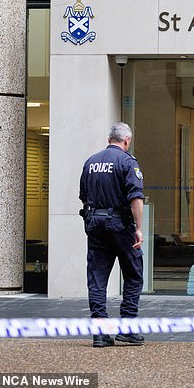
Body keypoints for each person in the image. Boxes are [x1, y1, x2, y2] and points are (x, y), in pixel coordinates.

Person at [79, 122, 146, 347]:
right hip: (120, 226)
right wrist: (138, 227)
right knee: (133, 273)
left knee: (97, 279)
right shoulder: (128, 162)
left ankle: (100, 333)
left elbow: (83, 196)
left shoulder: (91, 162)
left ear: (110, 139)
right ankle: (127, 328)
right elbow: (136, 198)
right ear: (126, 140)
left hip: (95, 225)